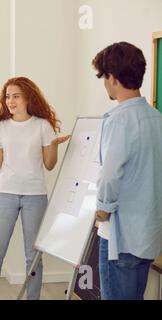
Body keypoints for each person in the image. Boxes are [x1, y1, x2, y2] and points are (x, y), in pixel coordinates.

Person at [0, 77, 70, 300]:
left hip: (35, 196)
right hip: (5, 193)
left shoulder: (42, 126)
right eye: (8, 96)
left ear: (28, 97)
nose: (10, 101)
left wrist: (53, 145)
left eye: (16, 96)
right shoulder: (0, 127)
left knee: (33, 256)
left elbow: (49, 164)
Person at [92, 42, 162, 300]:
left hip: (119, 238)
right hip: (148, 234)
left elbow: (110, 174)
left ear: (112, 77)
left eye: (104, 77)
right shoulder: (157, 118)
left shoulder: (118, 119)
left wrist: (102, 208)